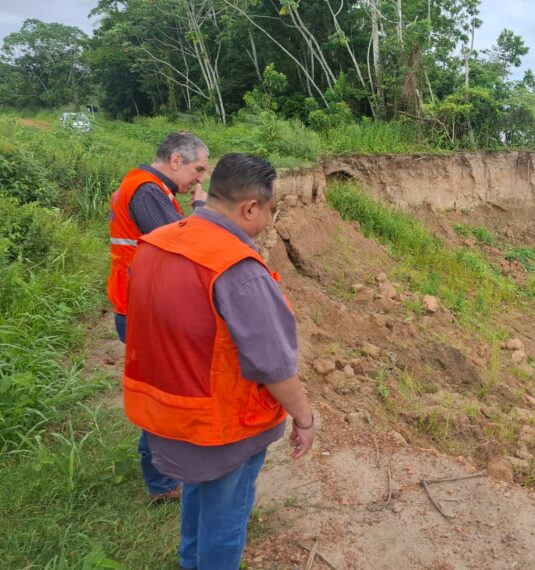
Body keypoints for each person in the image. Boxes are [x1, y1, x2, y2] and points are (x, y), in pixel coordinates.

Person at [122, 153, 316, 570]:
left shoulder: (158, 242)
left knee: (198, 493)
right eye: (269, 210)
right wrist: (304, 418)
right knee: (225, 521)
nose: (267, 221)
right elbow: (274, 365)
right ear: (250, 207)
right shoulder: (237, 269)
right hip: (223, 425)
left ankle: (190, 562)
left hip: (170, 411)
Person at [106, 131, 209, 501]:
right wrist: (201, 209)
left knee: (162, 390)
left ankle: (166, 474)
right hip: (140, 307)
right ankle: (163, 483)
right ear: (176, 160)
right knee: (159, 394)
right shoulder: (147, 190)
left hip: (141, 302)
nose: (200, 178)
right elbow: (178, 245)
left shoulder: (152, 189)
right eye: (198, 169)